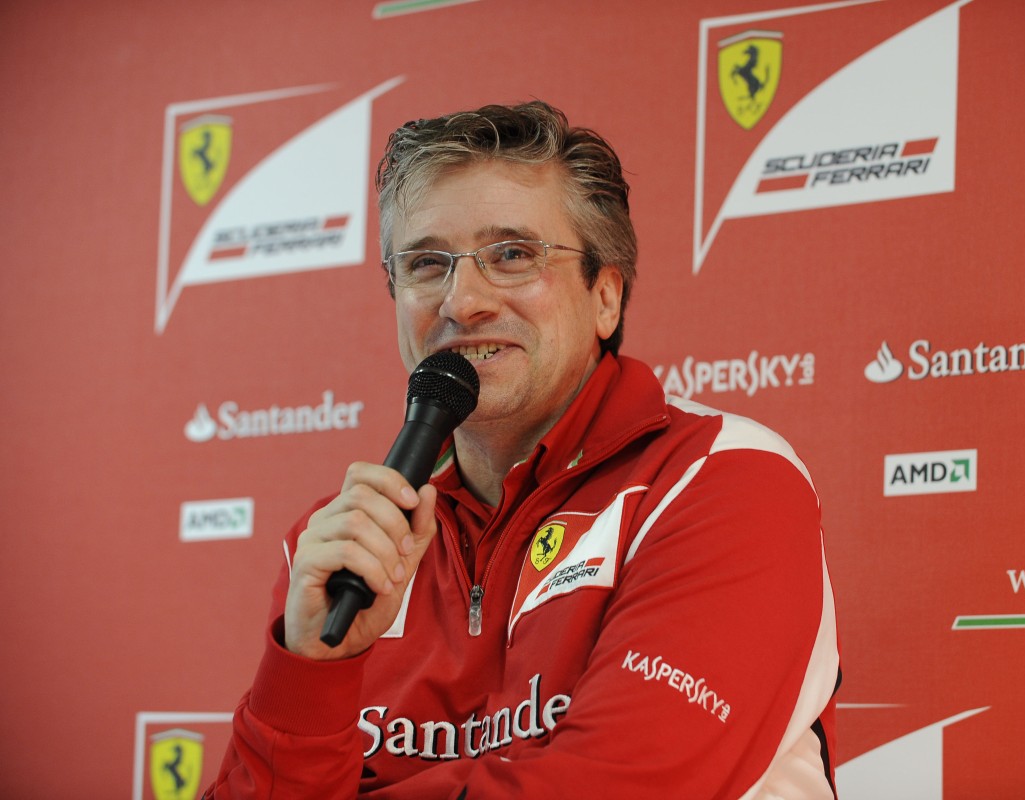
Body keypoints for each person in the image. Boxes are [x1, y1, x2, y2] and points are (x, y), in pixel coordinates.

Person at [207, 101, 840, 799]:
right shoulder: (344, 543)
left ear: (606, 297)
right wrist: (309, 666)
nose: (462, 301)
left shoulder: (722, 476)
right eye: (427, 263)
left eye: (512, 255)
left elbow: (612, 787)